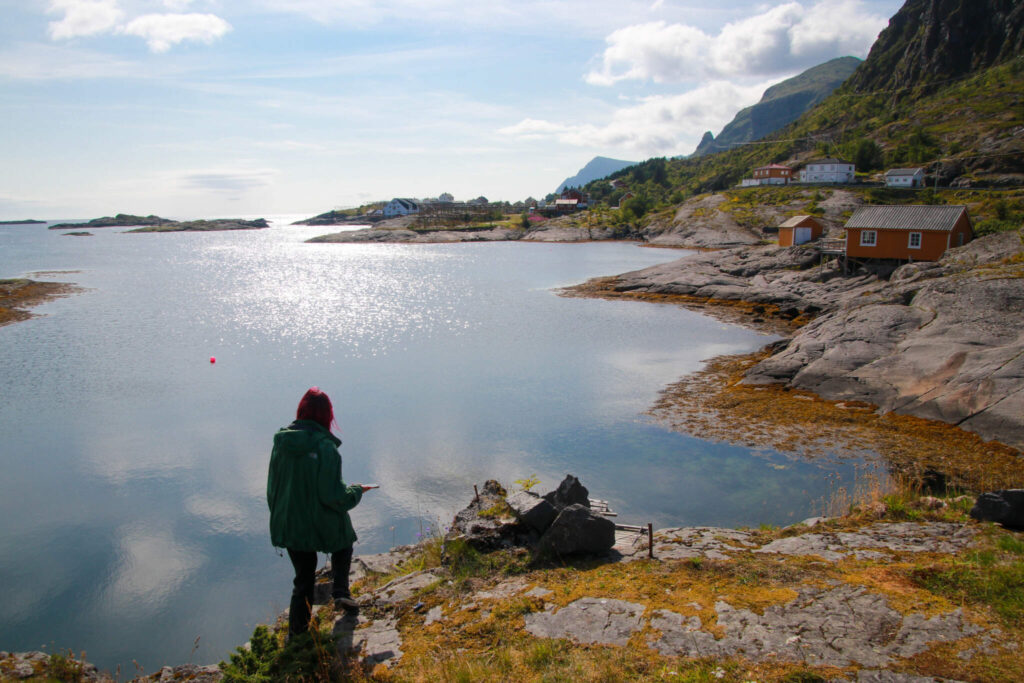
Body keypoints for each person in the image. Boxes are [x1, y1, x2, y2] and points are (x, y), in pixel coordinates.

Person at [267, 387, 373, 637]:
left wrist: (279, 516)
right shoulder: (326, 448)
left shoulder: (281, 443)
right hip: (316, 521)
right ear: (327, 416)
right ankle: (340, 593)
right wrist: (357, 491)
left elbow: (273, 488)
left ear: (301, 411)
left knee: (303, 578)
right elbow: (333, 497)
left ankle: (298, 636)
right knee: (344, 541)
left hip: (289, 521)